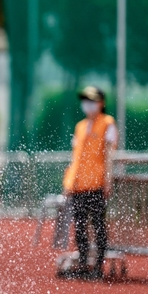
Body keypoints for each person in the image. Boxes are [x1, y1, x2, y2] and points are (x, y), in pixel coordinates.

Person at [63, 86, 118, 279]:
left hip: (96, 184)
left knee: (98, 225)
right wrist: (68, 181)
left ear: (101, 102)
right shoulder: (79, 126)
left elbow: (110, 155)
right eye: (85, 100)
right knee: (79, 226)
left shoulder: (107, 123)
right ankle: (83, 264)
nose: (87, 104)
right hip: (77, 185)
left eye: (92, 100)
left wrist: (108, 181)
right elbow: (75, 157)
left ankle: (98, 267)